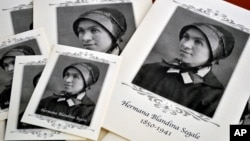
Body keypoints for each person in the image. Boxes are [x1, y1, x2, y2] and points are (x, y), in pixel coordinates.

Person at [132, 23, 235, 117]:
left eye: (198, 42)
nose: (185, 45)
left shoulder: (215, 98)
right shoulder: (149, 70)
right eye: (186, 37)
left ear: (215, 56)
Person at [0, 46, 35, 110]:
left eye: (14, 62)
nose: (10, 69)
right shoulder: (6, 94)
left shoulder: (42, 85)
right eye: (6, 65)